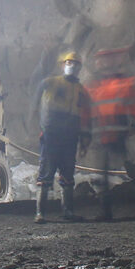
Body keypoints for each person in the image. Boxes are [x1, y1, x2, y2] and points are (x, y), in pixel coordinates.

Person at [87, 47, 135, 220]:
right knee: (102, 177)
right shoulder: (97, 88)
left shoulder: (123, 85)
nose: (99, 64)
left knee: (129, 173)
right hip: (103, 138)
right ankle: (106, 211)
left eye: (103, 60)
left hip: (119, 137)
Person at [31, 50, 92, 223]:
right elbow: (35, 106)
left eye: (75, 63)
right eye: (68, 62)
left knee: (67, 174)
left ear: (79, 67)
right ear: (62, 64)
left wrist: (85, 138)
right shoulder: (49, 83)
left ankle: (68, 211)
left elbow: (86, 116)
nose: (71, 66)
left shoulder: (82, 91)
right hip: (51, 135)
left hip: (70, 137)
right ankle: (40, 213)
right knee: (46, 173)